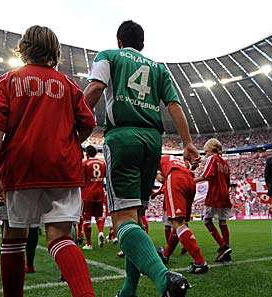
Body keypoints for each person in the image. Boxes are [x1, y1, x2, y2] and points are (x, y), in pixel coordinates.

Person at [0, 25, 96, 297]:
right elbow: (88, 123)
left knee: (14, 237)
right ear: (55, 52)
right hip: (62, 168)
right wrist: (70, 142)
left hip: (21, 167)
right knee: (59, 237)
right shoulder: (68, 85)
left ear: (23, 49)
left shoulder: (7, 81)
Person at [84, 20, 199, 297]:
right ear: (142, 44)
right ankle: (129, 289)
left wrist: (71, 118)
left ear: (119, 40)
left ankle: (164, 279)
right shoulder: (159, 68)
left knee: (123, 219)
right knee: (135, 217)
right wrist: (187, 143)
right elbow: (173, 105)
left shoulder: (109, 55)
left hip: (123, 137)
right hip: (152, 141)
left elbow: (96, 88)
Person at [158, 155, 208, 274]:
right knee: (181, 222)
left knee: (177, 222)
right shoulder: (175, 159)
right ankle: (165, 254)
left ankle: (200, 262)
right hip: (190, 180)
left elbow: (160, 178)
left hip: (175, 178)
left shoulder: (156, 159)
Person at [195, 138, 232, 262]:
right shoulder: (225, 163)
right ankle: (226, 250)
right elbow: (228, 182)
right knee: (222, 222)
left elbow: (207, 175)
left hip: (215, 194)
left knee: (207, 220)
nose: (205, 155)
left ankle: (223, 246)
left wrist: (192, 180)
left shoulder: (212, 159)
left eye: (206, 152)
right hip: (225, 194)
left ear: (211, 150)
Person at [80, 145, 107, 250]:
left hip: (88, 194)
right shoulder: (102, 163)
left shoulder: (85, 164)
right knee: (98, 216)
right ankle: (100, 232)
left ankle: (89, 244)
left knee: (86, 218)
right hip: (100, 193)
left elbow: (82, 179)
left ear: (87, 153)